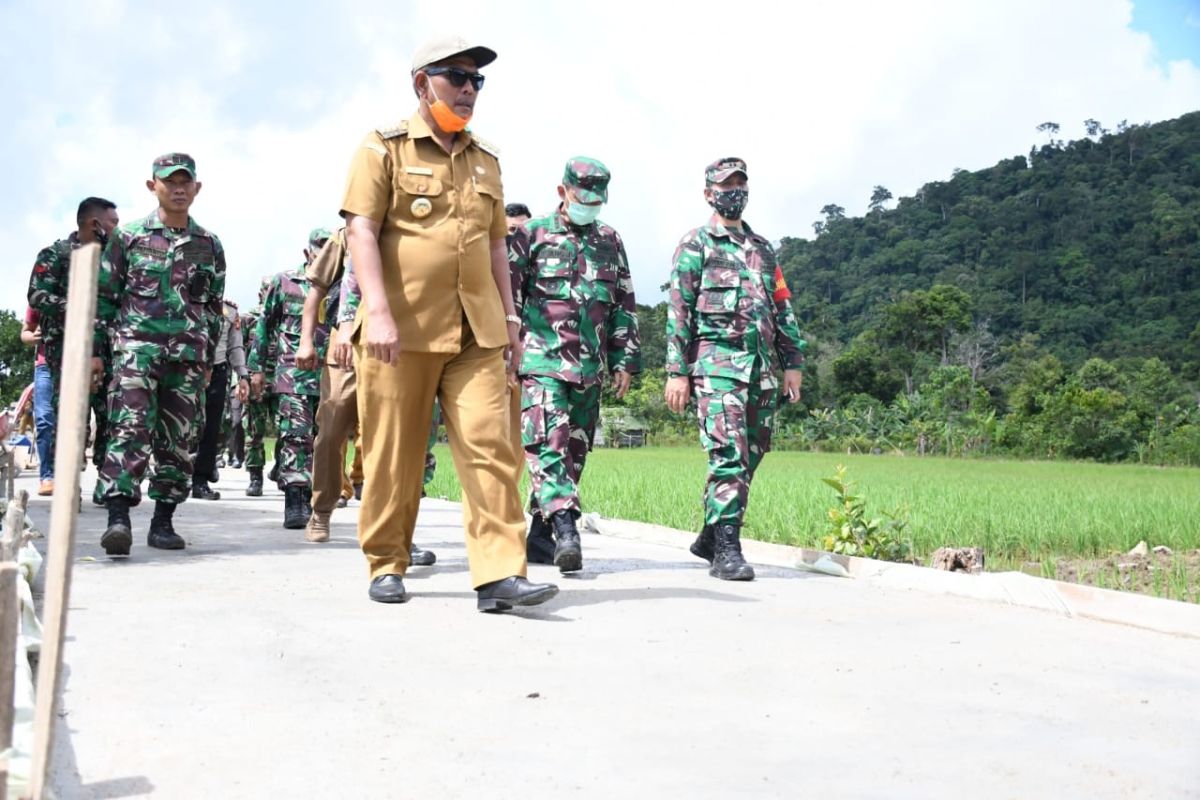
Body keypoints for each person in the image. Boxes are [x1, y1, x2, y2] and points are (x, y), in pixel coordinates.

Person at [339, 35, 557, 610]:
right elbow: (360, 230)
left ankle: (499, 576)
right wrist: (377, 313)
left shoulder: (487, 160)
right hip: (400, 331)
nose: (467, 90)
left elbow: (494, 249)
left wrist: (510, 318)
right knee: (393, 452)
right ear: (422, 84)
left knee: (492, 448)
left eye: (475, 81)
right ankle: (387, 561)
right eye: (455, 77)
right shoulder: (382, 148)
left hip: (477, 330)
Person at [664, 157, 806, 581]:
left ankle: (710, 532)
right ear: (709, 193)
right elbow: (678, 310)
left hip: (761, 369)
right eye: (725, 185)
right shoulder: (696, 244)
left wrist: (792, 361)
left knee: (753, 453)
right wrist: (677, 371)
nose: (734, 191)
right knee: (728, 454)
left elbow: (781, 306)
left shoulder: (763, 248)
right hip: (716, 366)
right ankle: (726, 549)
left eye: (740, 184)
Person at [509, 158, 640, 572]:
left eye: (597, 200)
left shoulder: (610, 240)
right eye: (583, 197)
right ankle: (567, 528)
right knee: (549, 444)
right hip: (542, 359)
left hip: (589, 367)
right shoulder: (532, 235)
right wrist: (505, 351)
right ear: (562, 191)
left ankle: (540, 536)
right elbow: (508, 298)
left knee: (574, 453)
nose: (590, 206)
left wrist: (624, 359)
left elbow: (622, 303)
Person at [96, 153, 226, 556]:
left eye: (186, 182)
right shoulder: (129, 237)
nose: (179, 188)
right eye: (170, 182)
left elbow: (213, 307)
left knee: (179, 441)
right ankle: (118, 518)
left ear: (197, 188)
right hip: (136, 354)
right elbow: (104, 298)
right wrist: (97, 355)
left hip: (187, 361)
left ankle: (163, 523)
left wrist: (206, 362)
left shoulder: (208, 245)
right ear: (153, 185)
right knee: (128, 431)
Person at [295, 230, 439, 563]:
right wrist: (306, 340)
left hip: (396, 349)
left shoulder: (416, 231)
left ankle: (398, 533)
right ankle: (321, 509)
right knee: (330, 432)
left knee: (393, 440)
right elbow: (316, 289)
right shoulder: (348, 235)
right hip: (346, 348)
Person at [26, 196, 121, 494]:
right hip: (66, 351)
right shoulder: (56, 255)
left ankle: (106, 486)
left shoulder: (116, 260)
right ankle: (69, 488)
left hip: (109, 351)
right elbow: (37, 296)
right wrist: (76, 304)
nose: (117, 229)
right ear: (95, 224)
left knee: (111, 416)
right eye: (113, 223)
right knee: (69, 418)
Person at [249, 229, 331, 529]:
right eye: (319, 248)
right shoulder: (284, 283)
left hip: (331, 376)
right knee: (295, 436)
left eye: (330, 248)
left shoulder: (344, 286)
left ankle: (313, 498)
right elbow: (264, 327)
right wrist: (256, 369)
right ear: (307, 252)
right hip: (292, 375)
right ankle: (294, 502)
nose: (324, 254)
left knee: (324, 440)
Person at [192, 299, 249, 499]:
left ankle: (200, 479)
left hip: (217, 371)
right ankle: (175, 476)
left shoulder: (229, 311)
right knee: (184, 426)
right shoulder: (187, 299)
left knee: (211, 427)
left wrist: (242, 375)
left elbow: (235, 345)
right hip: (187, 368)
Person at [20, 309, 54, 495]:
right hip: (45, 366)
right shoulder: (41, 291)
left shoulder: (85, 291)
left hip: (75, 362)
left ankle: (67, 478)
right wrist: (32, 337)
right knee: (44, 419)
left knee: (70, 423)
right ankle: (47, 477)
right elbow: (25, 332)